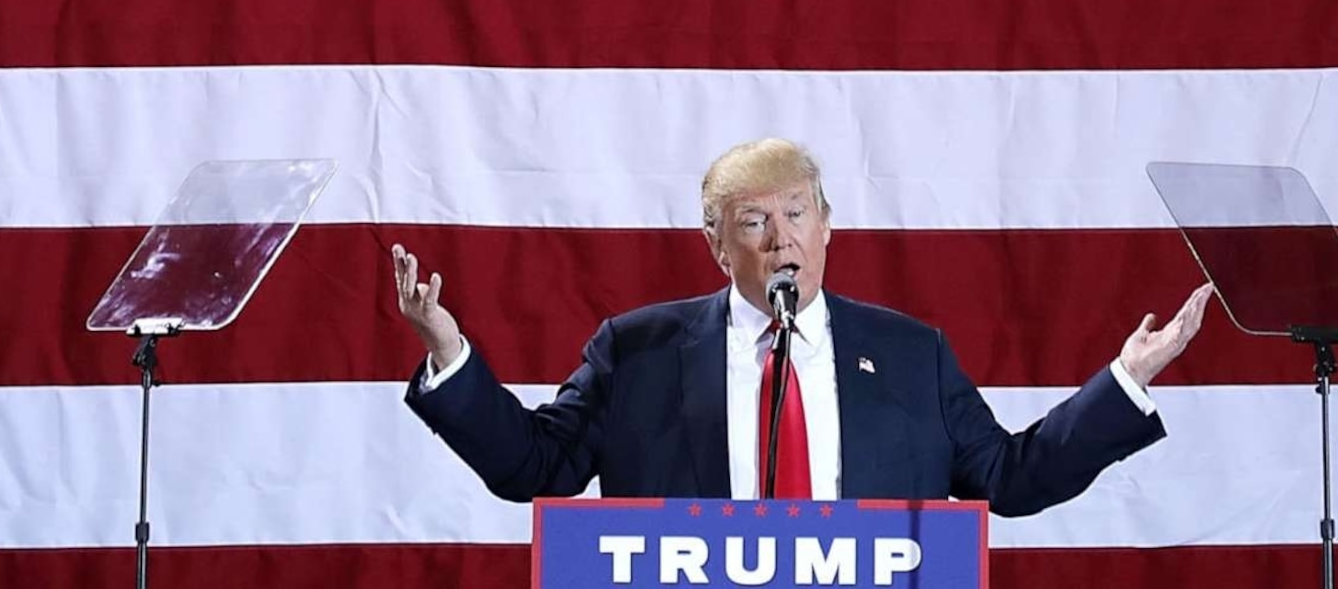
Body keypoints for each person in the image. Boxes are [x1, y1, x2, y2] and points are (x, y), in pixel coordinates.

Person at [391, 137, 1214, 512]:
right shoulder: (636, 349)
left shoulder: (909, 353)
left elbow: (1008, 476)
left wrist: (1125, 381)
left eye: (796, 212)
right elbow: (539, 466)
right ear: (717, 245)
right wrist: (449, 351)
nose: (780, 236)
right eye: (753, 220)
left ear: (828, 226)